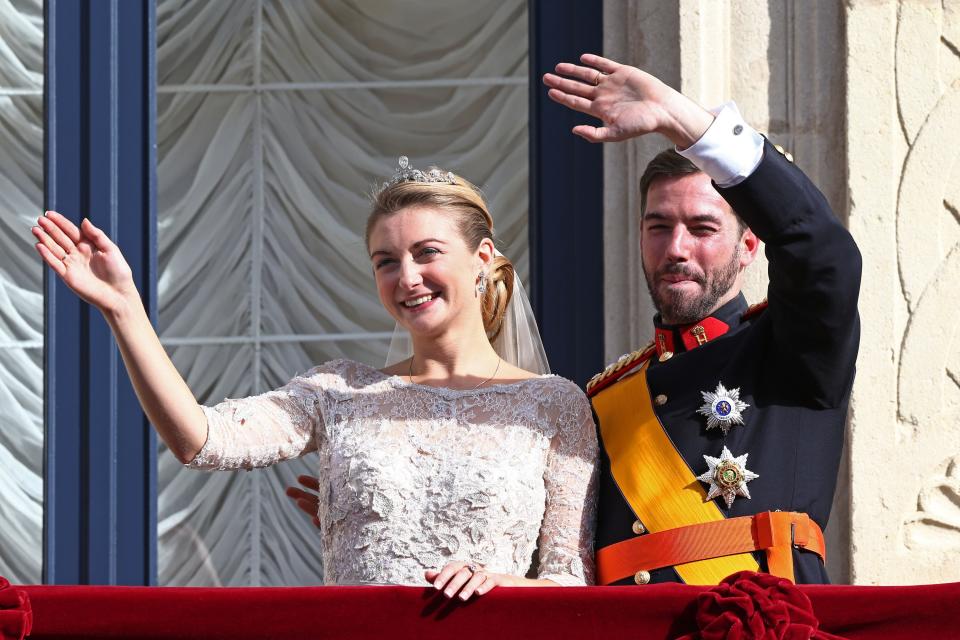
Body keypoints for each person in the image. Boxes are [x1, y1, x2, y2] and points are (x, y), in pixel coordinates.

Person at [31, 159, 598, 598]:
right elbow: (201, 440)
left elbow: (571, 580)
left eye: (427, 252)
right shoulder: (339, 393)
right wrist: (124, 307)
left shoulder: (554, 404)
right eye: (385, 261)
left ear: (482, 258)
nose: (407, 277)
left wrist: (502, 585)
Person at [540, 55, 861, 585]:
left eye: (703, 227)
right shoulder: (603, 398)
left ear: (749, 246)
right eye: (658, 226)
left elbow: (824, 254)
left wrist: (682, 120)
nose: (676, 248)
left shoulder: (792, 350)